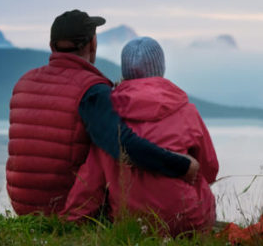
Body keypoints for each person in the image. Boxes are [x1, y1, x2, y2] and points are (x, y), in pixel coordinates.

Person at [6, 10, 199, 215]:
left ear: (52, 47)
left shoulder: (24, 82)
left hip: (23, 206)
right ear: (92, 45)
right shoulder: (91, 89)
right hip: (66, 206)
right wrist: (182, 166)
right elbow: (123, 145)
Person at [62, 37, 218, 235]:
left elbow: (91, 180)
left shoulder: (108, 118)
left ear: (125, 71)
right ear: (160, 69)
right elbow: (210, 168)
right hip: (188, 221)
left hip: (131, 222)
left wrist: (70, 220)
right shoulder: (187, 111)